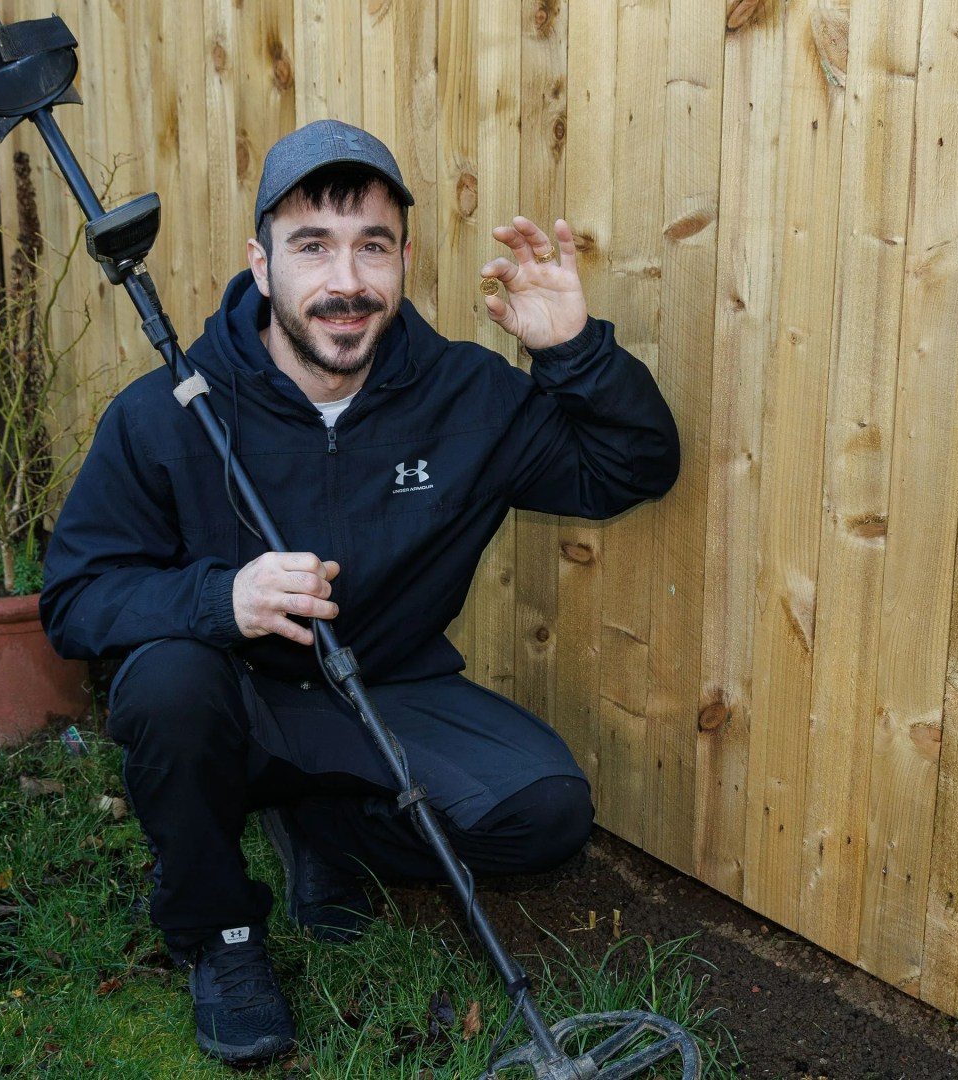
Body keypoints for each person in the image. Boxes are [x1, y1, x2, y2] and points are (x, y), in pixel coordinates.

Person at [40, 119, 680, 1064]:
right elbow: (76, 599)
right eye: (313, 247)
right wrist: (221, 602)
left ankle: (328, 833)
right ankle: (222, 939)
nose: (346, 282)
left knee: (546, 814)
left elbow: (633, 468)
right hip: (234, 702)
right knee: (166, 683)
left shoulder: (468, 396)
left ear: (404, 260)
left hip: (391, 693)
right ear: (262, 266)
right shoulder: (169, 409)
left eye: (371, 247)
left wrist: (572, 350)